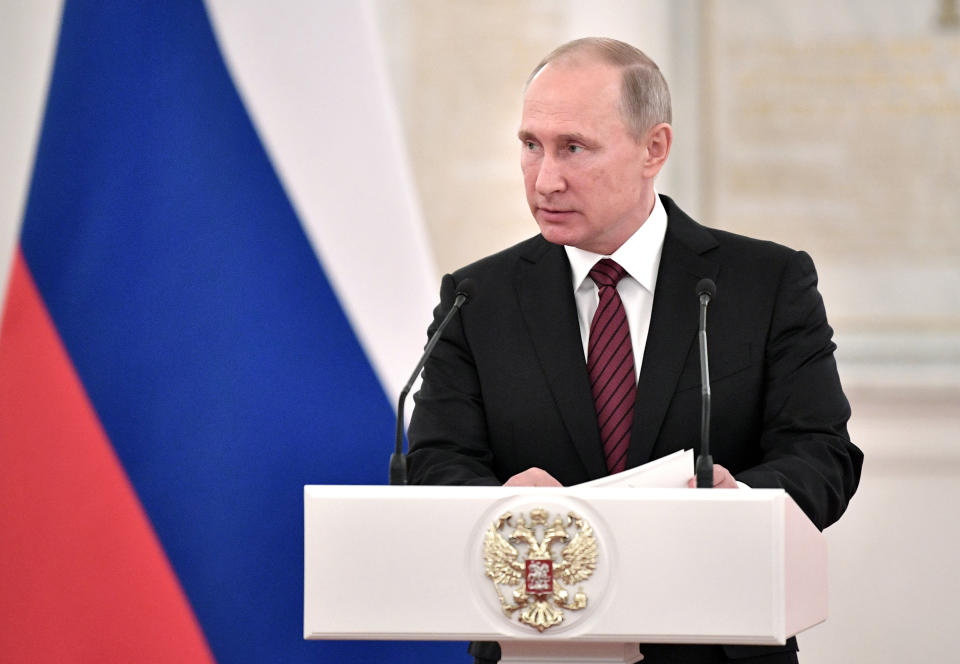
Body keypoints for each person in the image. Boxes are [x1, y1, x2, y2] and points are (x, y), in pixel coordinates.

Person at [407, 37, 862, 664]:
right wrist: (505, 504)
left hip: (717, 638)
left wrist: (741, 504)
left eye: (574, 148)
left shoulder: (764, 283)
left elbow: (823, 454)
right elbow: (436, 460)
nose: (546, 178)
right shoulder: (476, 297)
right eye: (530, 145)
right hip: (540, 640)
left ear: (655, 149)